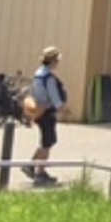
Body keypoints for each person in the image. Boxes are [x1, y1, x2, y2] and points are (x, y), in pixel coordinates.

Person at [26, 46, 67, 186]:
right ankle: (40, 173)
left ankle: (31, 166)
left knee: (47, 141)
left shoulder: (38, 74)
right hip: (47, 112)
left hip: (39, 111)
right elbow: (54, 96)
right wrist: (62, 108)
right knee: (47, 143)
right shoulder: (48, 77)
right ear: (53, 61)